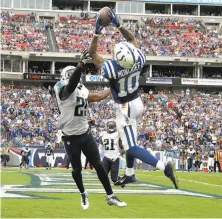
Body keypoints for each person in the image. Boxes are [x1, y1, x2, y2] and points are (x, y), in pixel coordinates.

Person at [89, 9, 178, 189]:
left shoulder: (111, 69)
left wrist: (97, 33)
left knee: (130, 147)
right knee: (131, 141)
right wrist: (119, 24)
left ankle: (163, 166)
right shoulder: (138, 58)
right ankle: (130, 174)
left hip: (125, 108)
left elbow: (93, 55)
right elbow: (132, 40)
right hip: (137, 102)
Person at [53, 51, 126, 210]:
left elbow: (97, 97)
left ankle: (110, 195)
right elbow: (69, 88)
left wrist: (114, 87)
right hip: (69, 136)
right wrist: (80, 66)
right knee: (77, 169)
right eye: (75, 75)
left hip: (85, 133)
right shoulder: (60, 87)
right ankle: (83, 193)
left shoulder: (81, 88)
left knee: (99, 165)